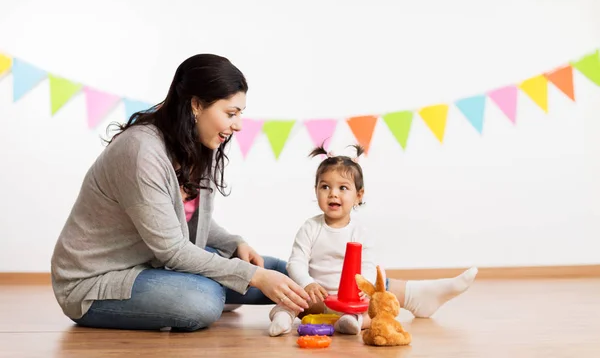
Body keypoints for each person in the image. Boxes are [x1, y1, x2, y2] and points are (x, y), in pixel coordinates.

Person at [51, 53, 476, 333]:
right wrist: (249, 277)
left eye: (240, 114)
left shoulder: (191, 143)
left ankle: (408, 295)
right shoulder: (141, 152)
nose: (237, 125)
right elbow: (171, 250)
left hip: (155, 263)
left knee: (282, 269)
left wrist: (232, 244)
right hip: (96, 283)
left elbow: (185, 218)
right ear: (196, 104)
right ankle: (340, 306)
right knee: (202, 301)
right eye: (231, 113)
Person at [267, 145, 478, 337]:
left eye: (343, 188)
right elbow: (295, 262)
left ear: (359, 195)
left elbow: (367, 265)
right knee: (293, 299)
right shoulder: (310, 227)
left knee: (374, 305)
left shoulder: (360, 232)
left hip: (348, 300)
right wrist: (308, 283)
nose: (333, 194)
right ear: (316, 190)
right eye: (325, 187)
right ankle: (283, 317)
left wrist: (364, 287)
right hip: (316, 298)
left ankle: (350, 321)